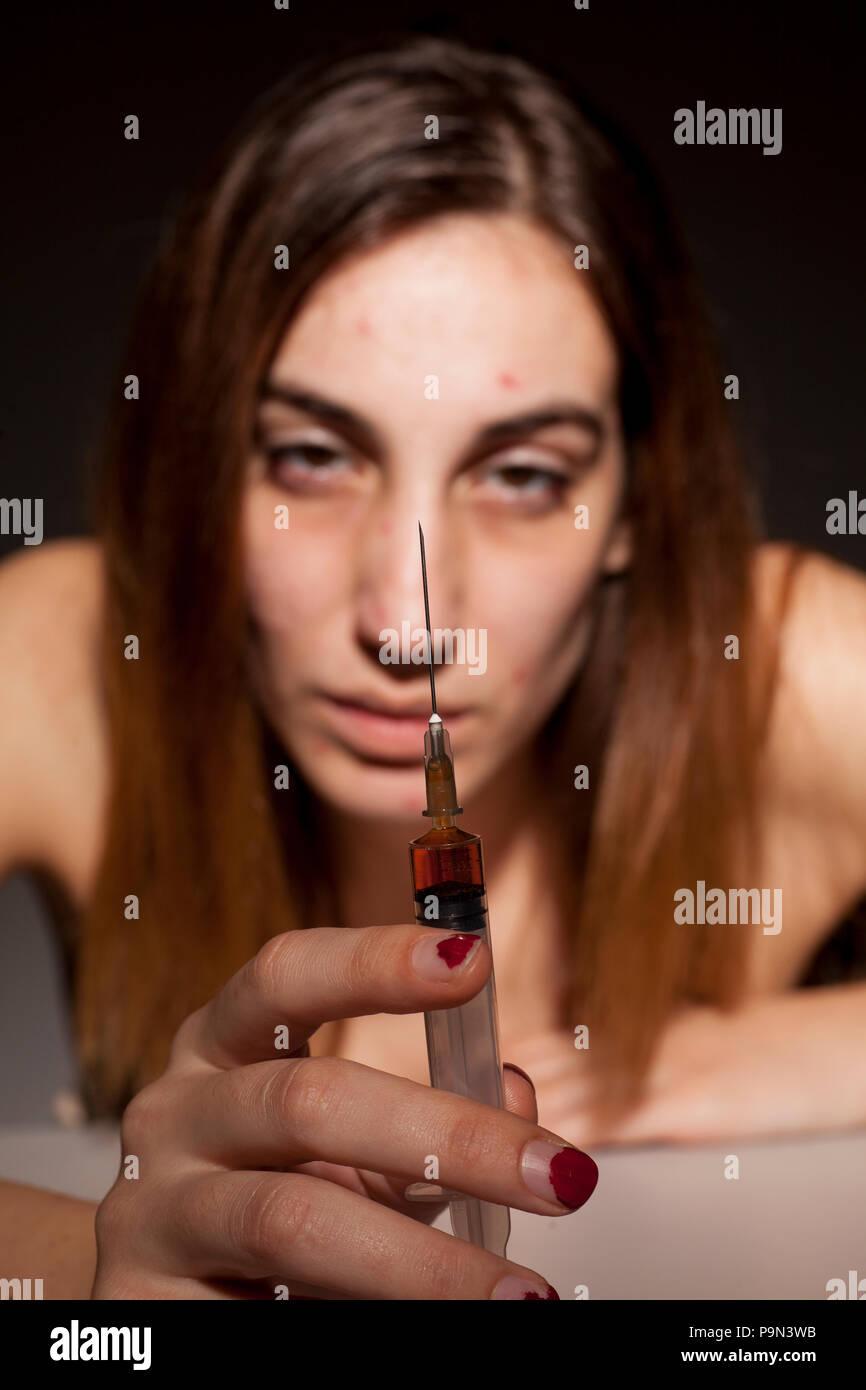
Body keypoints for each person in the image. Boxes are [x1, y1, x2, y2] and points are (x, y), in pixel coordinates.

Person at [1, 33, 864, 1300]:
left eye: (522, 476)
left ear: (632, 504)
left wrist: (802, 1051)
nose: (411, 622)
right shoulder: (67, 659)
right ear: (198, 473)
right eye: (308, 455)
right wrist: (104, 1255)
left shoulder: (785, 670)